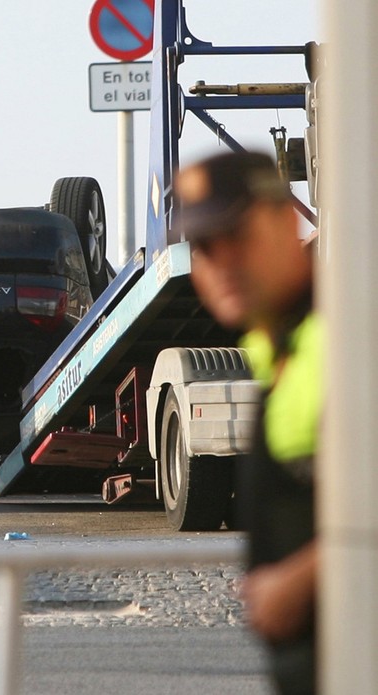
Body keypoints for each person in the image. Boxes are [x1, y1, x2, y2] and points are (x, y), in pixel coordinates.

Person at [175, 150, 321, 695]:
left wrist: (301, 580)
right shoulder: (279, 347)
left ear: (287, 223)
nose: (223, 261)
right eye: (205, 247)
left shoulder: (348, 338)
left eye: (238, 234)